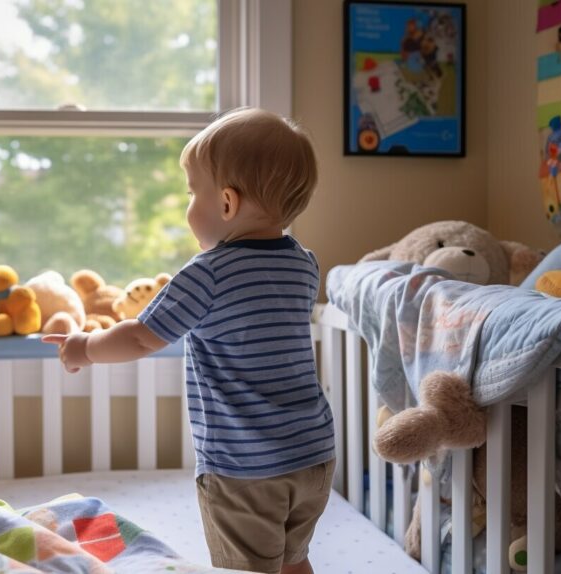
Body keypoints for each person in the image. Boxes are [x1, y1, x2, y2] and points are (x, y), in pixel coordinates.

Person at [43, 107, 335, 574]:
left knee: (249, 568)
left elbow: (140, 337)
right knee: (293, 558)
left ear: (225, 203)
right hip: (313, 456)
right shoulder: (303, 264)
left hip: (246, 466)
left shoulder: (210, 273)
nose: (187, 206)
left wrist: (84, 347)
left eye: (191, 192)